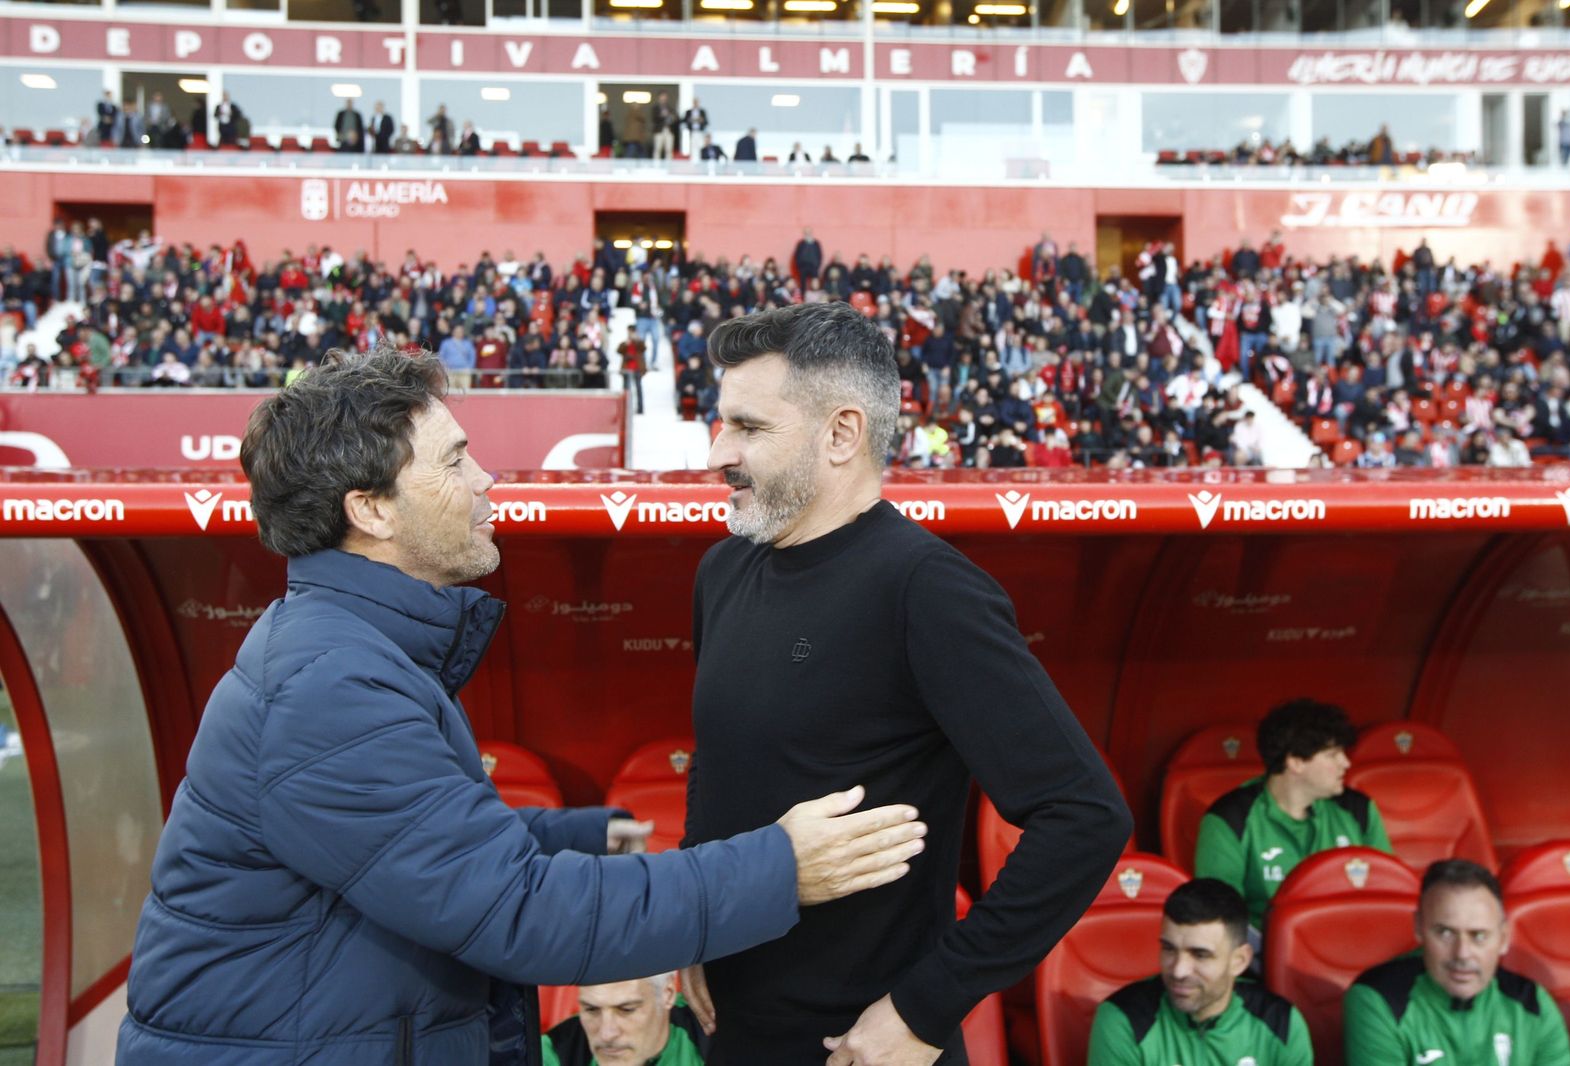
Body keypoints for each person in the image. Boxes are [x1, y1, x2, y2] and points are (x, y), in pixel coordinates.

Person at [115, 346, 928, 1065]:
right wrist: (780, 869)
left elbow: (420, 841)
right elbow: (518, 910)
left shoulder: (349, 651)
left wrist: (579, 833)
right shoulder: (329, 686)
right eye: (454, 460)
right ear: (370, 510)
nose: (484, 479)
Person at [685, 302, 1132, 1064]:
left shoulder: (927, 590)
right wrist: (694, 920)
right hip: (729, 1035)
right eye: (721, 424)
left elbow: (1084, 815)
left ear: (842, 433)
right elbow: (724, 769)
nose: (718, 453)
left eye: (750, 429)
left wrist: (926, 1007)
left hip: (858, 1047)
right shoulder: (722, 569)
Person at [1344, 860, 1570, 1066]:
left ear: (1503, 939)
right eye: (1445, 933)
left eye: (1479, 936)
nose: (1462, 953)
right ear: (1418, 928)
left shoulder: (1532, 1004)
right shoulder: (1379, 1000)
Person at [1194, 699, 1392, 937]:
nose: (1346, 763)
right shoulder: (1229, 819)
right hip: (1264, 961)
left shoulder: (1359, 810)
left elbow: (1389, 890)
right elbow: (1221, 920)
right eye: (1332, 755)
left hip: (1352, 945)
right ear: (1296, 762)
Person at [1087, 879, 1313, 1066]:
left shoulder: (1281, 1022)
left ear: (1239, 960)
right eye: (1169, 949)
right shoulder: (1124, 1020)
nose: (1178, 970)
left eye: (1200, 955)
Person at [542, 974, 709, 1066]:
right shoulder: (551, 1052)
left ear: (668, 993)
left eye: (626, 1010)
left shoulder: (713, 1035)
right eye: (591, 1010)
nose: (607, 1033)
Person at [652, 92, 677, 160]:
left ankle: (668, 166)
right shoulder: (656, 108)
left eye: (665, 97)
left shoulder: (670, 108)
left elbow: (675, 117)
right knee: (658, 148)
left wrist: (672, 117)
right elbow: (654, 118)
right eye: (662, 97)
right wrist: (662, 115)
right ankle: (656, 165)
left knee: (669, 149)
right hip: (659, 130)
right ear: (659, 98)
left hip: (669, 130)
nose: (664, 98)